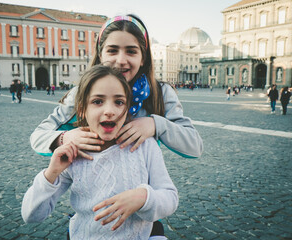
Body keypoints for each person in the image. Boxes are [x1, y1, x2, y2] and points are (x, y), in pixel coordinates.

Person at [29, 14, 202, 236]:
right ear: (100, 54)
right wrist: (64, 138)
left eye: (131, 51)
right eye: (112, 50)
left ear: (143, 57)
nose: (121, 60)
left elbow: (194, 145)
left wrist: (156, 124)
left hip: (142, 210)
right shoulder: (83, 92)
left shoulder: (160, 92)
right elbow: (38, 135)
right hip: (95, 212)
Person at [21, 65, 178, 239]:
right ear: (82, 109)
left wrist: (143, 197)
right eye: (97, 101)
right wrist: (51, 174)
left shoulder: (145, 146)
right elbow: (31, 215)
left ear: (127, 109)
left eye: (119, 102)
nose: (109, 111)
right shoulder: (74, 152)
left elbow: (170, 197)